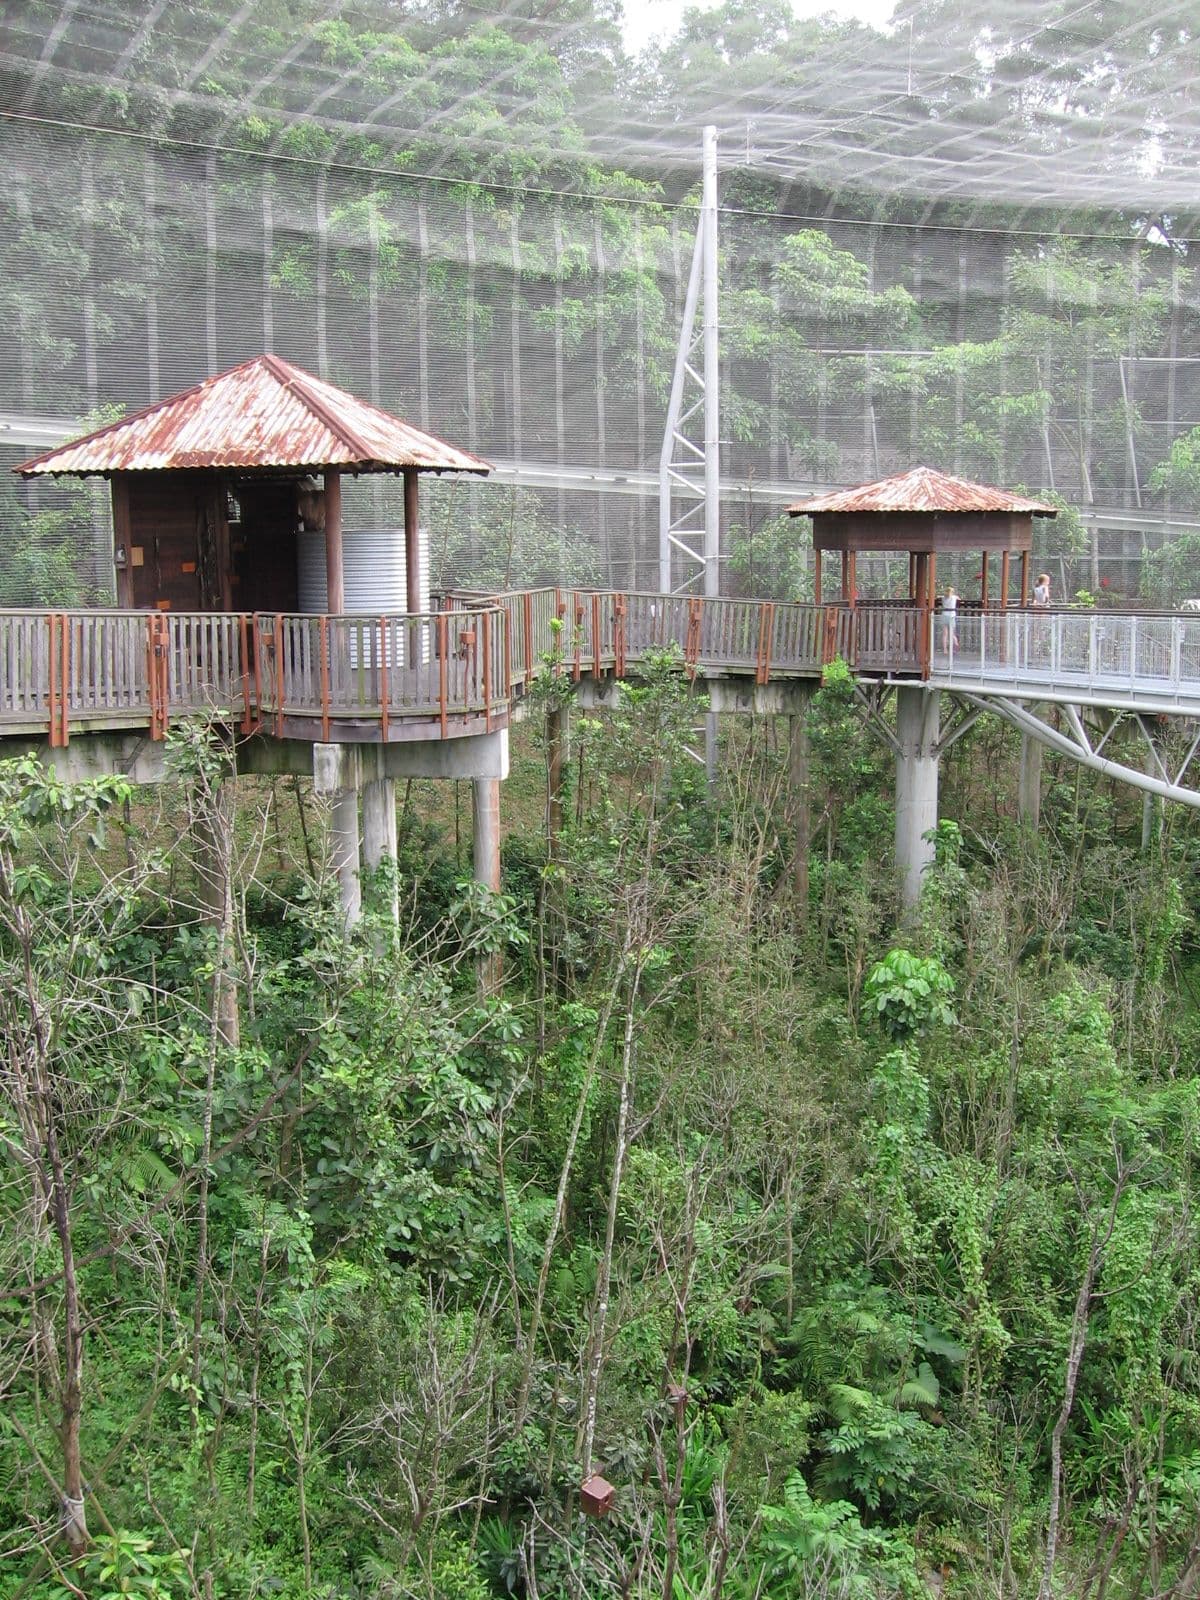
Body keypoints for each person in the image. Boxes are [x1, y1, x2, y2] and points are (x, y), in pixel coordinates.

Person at [940, 585, 958, 653]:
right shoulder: (954, 597)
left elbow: (938, 597)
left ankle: (945, 649)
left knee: (945, 634)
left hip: (944, 615)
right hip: (952, 616)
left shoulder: (943, 598)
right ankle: (955, 643)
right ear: (952, 592)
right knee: (952, 634)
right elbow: (959, 599)